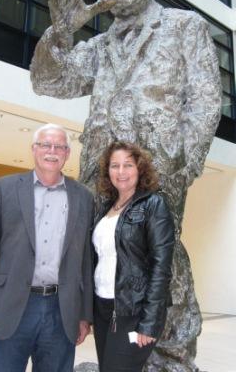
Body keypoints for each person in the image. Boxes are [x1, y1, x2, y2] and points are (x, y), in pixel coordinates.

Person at [30, 0, 221, 369]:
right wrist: (60, 30)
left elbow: (206, 98)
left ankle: (171, 355)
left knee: (162, 264)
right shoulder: (101, 44)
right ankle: (119, 351)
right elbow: (49, 81)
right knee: (107, 263)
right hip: (101, 174)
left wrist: (182, 167)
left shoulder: (183, 26)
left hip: (159, 172)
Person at [0, 123, 94, 372]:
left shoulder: (83, 197)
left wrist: (84, 315)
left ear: (67, 154)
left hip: (62, 310)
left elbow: (85, 261)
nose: (52, 151)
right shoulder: (4, 188)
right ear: (34, 149)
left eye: (60, 146)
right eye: (45, 145)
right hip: (13, 305)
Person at [92, 141, 175, 372]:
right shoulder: (106, 208)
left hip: (133, 310)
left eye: (128, 165)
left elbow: (162, 267)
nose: (121, 172)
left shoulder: (153, 204)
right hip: (103, 306)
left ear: (140, 168)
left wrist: (149, 322)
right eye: (114, 165)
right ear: (107, 171)